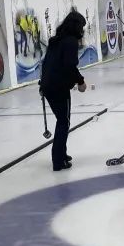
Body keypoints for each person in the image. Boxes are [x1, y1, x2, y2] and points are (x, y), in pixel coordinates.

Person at [39, 11, 87, 171]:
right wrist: (81, 81)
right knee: (63, 122)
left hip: (48, 85)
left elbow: (47, 64)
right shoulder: (70, 42)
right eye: (82, 27)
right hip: (58, 87)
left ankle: (62, 154)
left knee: (62, 120)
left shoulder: (56, 40)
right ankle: (58, 160)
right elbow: (69, 66)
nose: (82, 30)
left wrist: (43, 84)